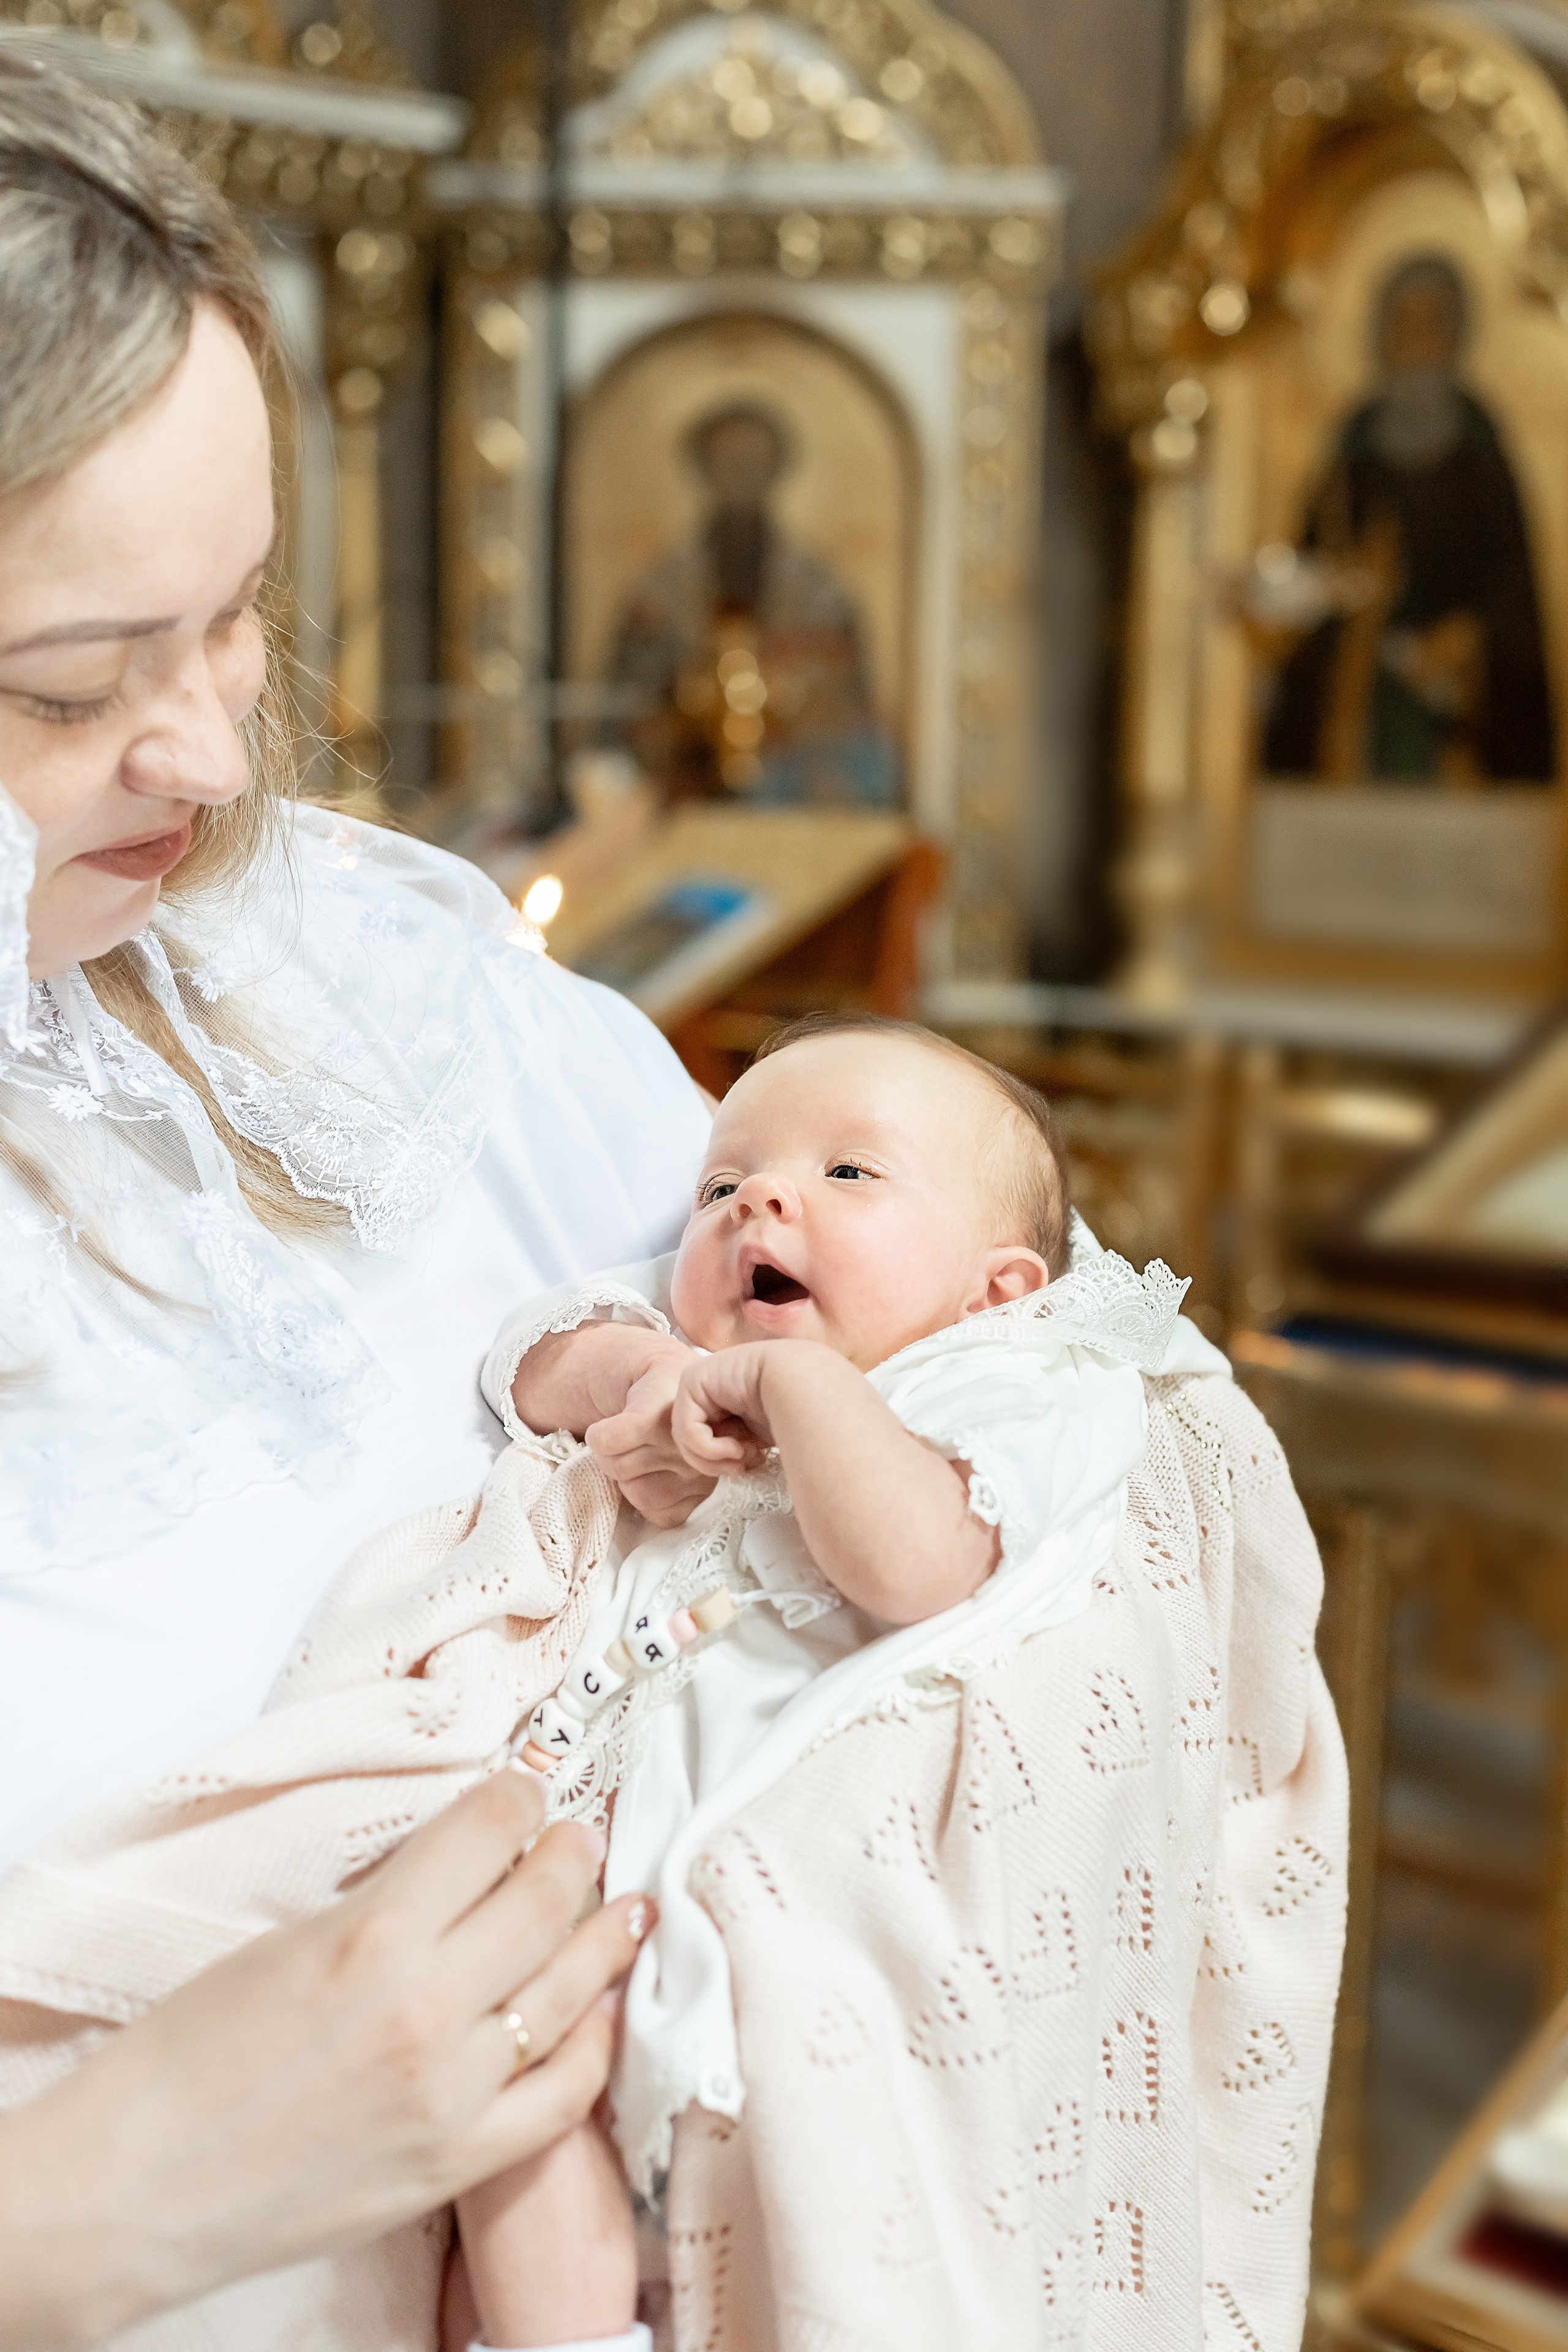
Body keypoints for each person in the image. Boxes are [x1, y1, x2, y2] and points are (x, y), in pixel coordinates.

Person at [0, 59, 710, 2349]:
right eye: (67, 683)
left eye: (236, 617)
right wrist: (114, 2189)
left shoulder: (366, 985)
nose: (210, 752)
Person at [453, 1014, 1169, 2348]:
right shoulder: (697, 1351)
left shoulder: (1016, 1388)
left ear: (996, 1291)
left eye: (849, 1174)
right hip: (604, 1851)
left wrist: (790, 1385)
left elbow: (912, 1564)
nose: (760, 1200)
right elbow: (531, 1355)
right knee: (506, 2096)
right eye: (723, 1184)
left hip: (802, 1888)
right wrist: (657, 1374)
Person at [1260, 251, 1555, 784]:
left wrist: (1469, 635)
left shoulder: (1480, 445)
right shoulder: (1356, 441)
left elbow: (1514, 582)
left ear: (1455, 334)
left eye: (1432, 323)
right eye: (1404, 321)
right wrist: (1344, 593)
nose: (1417, 339)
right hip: (1359, 687)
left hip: (1459, 691)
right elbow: (1315, 562)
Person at [603, 402, 900, 807]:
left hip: (794, 790)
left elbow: (847, 705)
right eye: (727, 461)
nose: (741, 473)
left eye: (754, 461)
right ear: (702, 470)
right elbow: (628, 703)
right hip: (683, 789)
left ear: (778, 469)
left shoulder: (819, 589)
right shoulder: (662, 588)